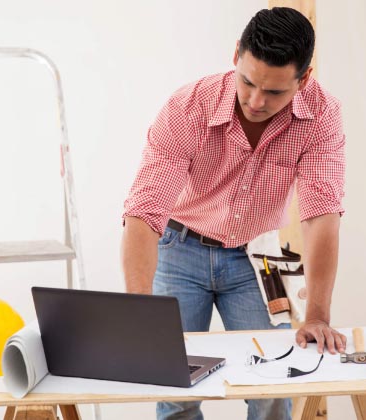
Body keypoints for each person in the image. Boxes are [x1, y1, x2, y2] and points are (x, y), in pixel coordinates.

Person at [121, 7, 346, 420]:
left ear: (304, 80)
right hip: (180, 246)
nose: (256, 101)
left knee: (278, 381)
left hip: (261, 257)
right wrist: (139, 313)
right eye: (248, 82)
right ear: (236, 55)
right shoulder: (187, 107)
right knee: (175, 386)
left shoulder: (322, 117)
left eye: (275, 92)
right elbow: (144, 212)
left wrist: (317, 315)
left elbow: (322, 213)